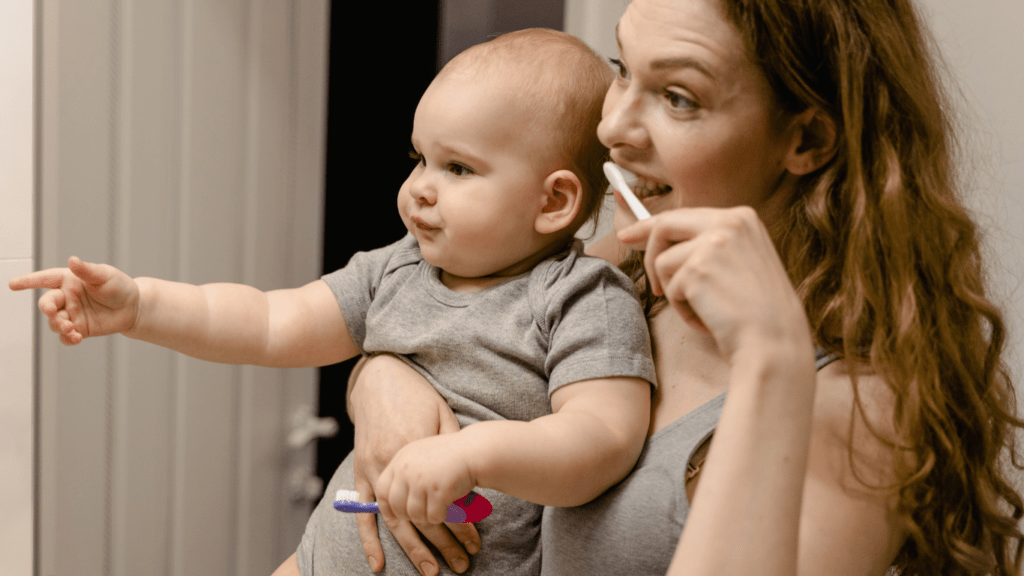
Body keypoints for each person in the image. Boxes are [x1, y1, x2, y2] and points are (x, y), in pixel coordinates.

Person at [340, 0, 1024, 575]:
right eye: (620, 71)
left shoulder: (858, 410)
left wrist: (771, 361)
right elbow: (429, 317)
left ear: (808, 139)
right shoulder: (621, 273)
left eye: (677, 97)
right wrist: (383, 377)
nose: (611, 128)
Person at [8, 29, 657, 576]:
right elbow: (268, 322)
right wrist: (142, 306)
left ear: (553, 202)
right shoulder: (395, 269)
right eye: (419, 159)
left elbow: (602, 438)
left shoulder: (580, 299)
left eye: (457, 169)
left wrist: (474, 454)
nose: (420, 189)